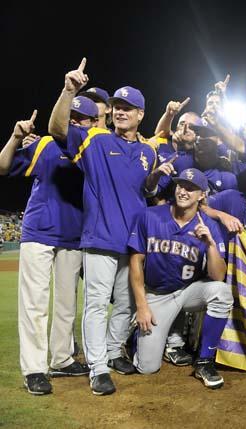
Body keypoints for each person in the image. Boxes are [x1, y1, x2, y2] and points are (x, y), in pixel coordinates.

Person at [47, 59, 157, 395]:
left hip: (132, 241)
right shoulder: (93, 140)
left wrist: (156, 180)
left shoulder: (148, 152)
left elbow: (145, 191)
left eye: (128, 108)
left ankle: (112, 352)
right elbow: (58, 129)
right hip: (100, 237)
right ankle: (97, 368)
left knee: (125, 303)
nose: (121, 112)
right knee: (96, 303)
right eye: (117, 107)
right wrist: (69, 92)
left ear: (140, 115)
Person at [0, 101, 96, 394]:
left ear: (94, 122)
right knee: (34, 304)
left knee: (68, 304)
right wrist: (16, 137)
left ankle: (62, 359)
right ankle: (35, 369)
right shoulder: (45, 144)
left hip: (74, 236)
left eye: (84, 118)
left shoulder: (96, 150)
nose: (76, 122)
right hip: (39, 231)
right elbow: (3, 165)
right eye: (73, 116)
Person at [128, 168, 233, 390]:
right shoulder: (151, 215)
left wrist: (211, 245)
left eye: (191, 188)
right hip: (156, 294)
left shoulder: (209, 226)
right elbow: (135, 262)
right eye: (181, 186)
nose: (183, 191)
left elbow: (218, 276)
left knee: (222, 292)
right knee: (147, 367)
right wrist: (141, 306)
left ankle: (205, 361)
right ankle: (138, 337)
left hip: (187, 292)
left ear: (202, 195)